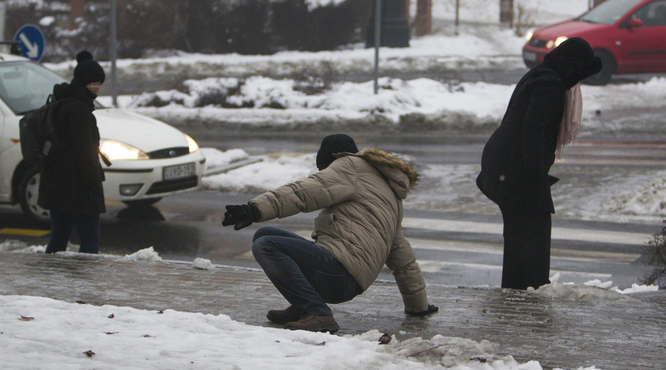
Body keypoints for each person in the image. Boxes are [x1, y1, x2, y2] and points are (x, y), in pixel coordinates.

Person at [222, 134, 438, 333]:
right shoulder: (386, 193)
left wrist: (254, 209)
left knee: (266, 245)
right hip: (347, 280)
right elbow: (403, 258)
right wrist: (418, 307)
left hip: (339, 274)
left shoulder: (348, 167)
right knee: (264, 234)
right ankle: (303, 305)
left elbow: (303, 192)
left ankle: (317, 312)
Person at [476, 38, 602, 290]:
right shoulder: (550, 86)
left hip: (503, 166)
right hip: (514, 170)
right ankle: (529, 292)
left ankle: (516, 292)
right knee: (534, 232)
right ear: (572, 66)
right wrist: (535, 179)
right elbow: (533, 130)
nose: (577, 83)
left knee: (519, 235)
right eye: (579, 75)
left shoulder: (539, 75)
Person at [40, 51, 106, 254]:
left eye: (99, 83)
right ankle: (84, 280)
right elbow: (84, 153)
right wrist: (92, 186)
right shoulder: (79, 110)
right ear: (83, 82)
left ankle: (51, 276)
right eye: (93, 82)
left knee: (59, 236)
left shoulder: (62, 101)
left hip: (57, 183)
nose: (97, 87)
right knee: (89, 238)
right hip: (78, 187)